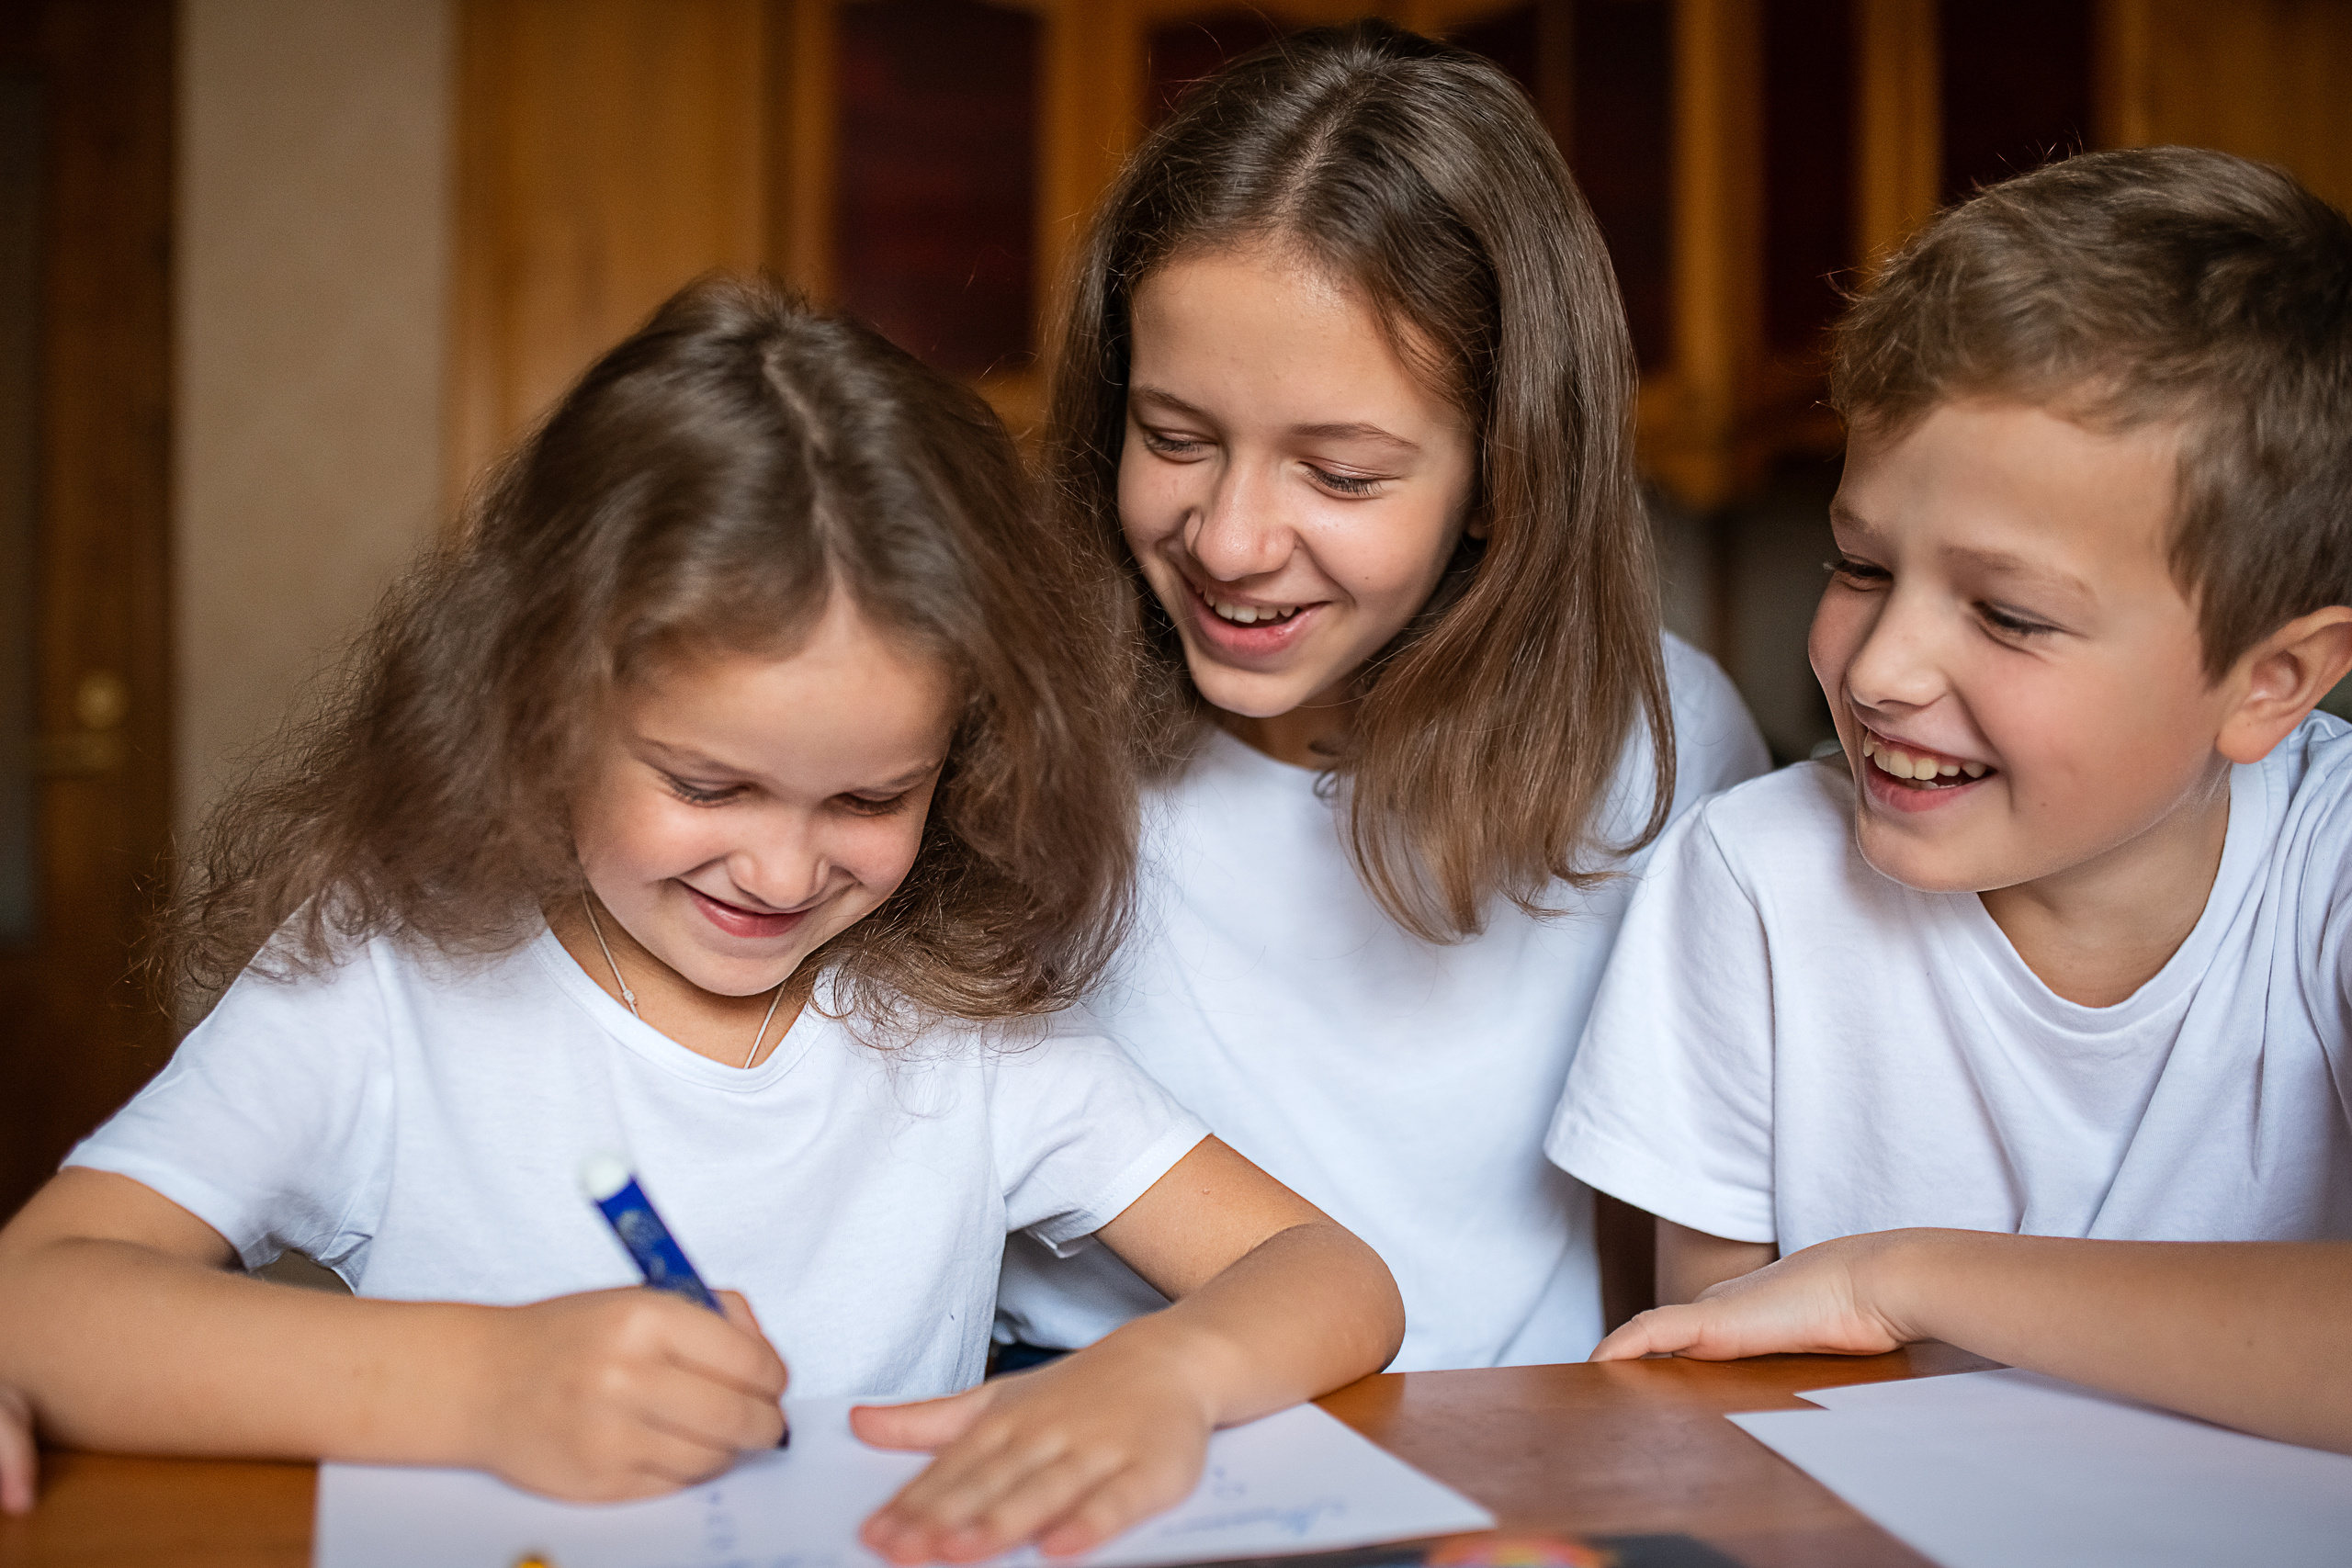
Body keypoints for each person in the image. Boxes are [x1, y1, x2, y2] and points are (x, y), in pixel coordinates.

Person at [0, 278, 1406, 1555]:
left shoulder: (958, 1028)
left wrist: (1160, 1377)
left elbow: (1332, 1275)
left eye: (869, 799)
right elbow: (39, 1298)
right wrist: (486, 1389)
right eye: (707, 783)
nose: (785, 875)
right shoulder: (380, 990)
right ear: (540, 706)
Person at [992, 19, 1767, 1374]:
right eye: (1175, 438)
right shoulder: (1013, 724)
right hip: (1077, 1405)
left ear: (1503, 476)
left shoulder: (1664, 747)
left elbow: (1687, 1235)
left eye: (1340, 475)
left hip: (1515, 1433)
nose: (1230, 541)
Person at [1551, 147, 2352, 1453]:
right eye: (1861, 564)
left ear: (2273, 682)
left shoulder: (2332, 868)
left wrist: (1900, 1278)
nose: (1877, 668)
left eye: (2008, 613)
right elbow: (1717, 1398)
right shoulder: (1752, 881)